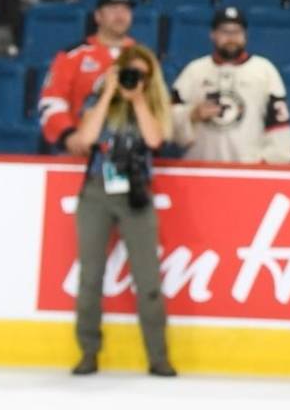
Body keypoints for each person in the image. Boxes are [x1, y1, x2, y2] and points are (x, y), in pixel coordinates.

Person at [65, 41, 175, 376]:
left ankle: (158, 356)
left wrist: (138, 98)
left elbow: (155, 140)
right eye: (129, 73)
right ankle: (88, 351)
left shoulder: (153, 104)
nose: (133, 79)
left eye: (140, 75)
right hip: (97, 191)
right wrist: (108, 90)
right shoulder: (99, 102)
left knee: (148, 279)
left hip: (136, 194)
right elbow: (85, 138)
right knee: (90, 277)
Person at [168, 6, 290, 164]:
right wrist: (192, 114)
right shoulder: (194, 71)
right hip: (201, 168)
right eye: (225, 32)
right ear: (212, 34)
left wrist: (266, 165)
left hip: (247, 172)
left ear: (245, 35)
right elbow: (166, 121)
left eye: (237, 32)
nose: (231, 38)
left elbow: (279, 130)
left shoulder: (264, 70)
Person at [38, 0, 138, 150]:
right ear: (98, 16)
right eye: (113, 9)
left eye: (125, 9)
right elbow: (51, 102)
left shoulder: (143, 57)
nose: (120, 15)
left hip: (129, 154)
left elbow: (157, 103)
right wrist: (68, 137)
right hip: (82, 151)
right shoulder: (73, 55)